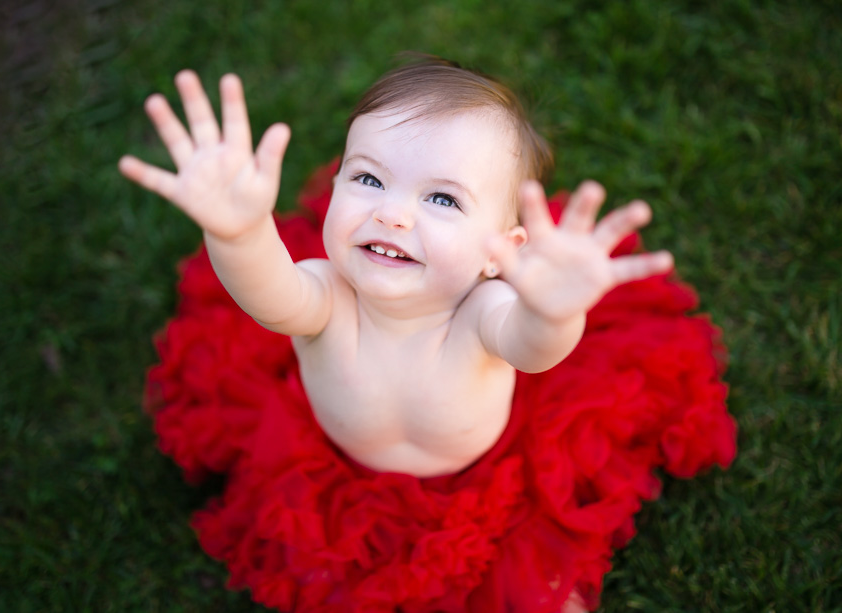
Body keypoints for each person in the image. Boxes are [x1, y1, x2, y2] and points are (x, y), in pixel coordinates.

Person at [119, 57, 735, 612]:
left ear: (500, 252)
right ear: (333, 188)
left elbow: (534, 348)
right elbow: (265, 294)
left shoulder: (483, 310)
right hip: (337, 470)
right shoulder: (327, 294)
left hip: (485, 483)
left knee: (529, 588)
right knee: (328, 573)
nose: (393, 213)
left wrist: (551, 310)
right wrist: (237, 233)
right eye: (367, 179)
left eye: (442, 198)